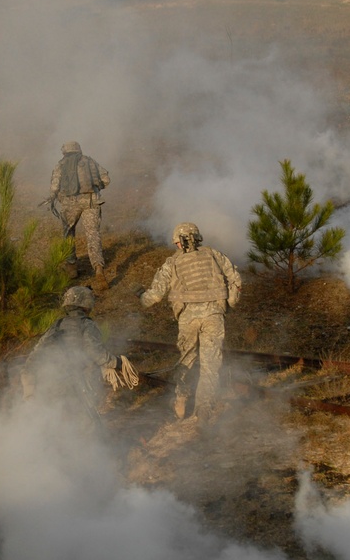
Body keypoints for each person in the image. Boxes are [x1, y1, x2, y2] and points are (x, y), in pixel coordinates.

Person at [139, 222, 242, 424]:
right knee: (210, 364)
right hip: (214, 316)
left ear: (177, 241)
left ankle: (181, 400)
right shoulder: (214, 254)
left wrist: (141, 298)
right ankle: (203, 410)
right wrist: (229, 304)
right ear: (198, 238)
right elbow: (235, 280)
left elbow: (155, 296)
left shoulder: (173, 263)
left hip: (188, 318)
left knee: (185, 360)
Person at [21, 286, 134, 427]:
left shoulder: (57, 324)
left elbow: (36, 353)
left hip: (45, 380)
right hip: (69, 383)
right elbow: (96, 352)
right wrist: (118, 363)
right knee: (87, 426)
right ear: (86, 304)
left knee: (53, 421)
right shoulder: (87, 325)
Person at [48, 141, 111, 289]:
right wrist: (97, 188)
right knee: (93, 234)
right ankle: (98, 269)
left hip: (69, 203)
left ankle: (71, 268)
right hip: (91, 202)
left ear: (65, 151)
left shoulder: (60, 165)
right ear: (78, 150)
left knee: (68, 233)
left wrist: (54, 197)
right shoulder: (89, 161)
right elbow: (106, 180)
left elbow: (54, 187)